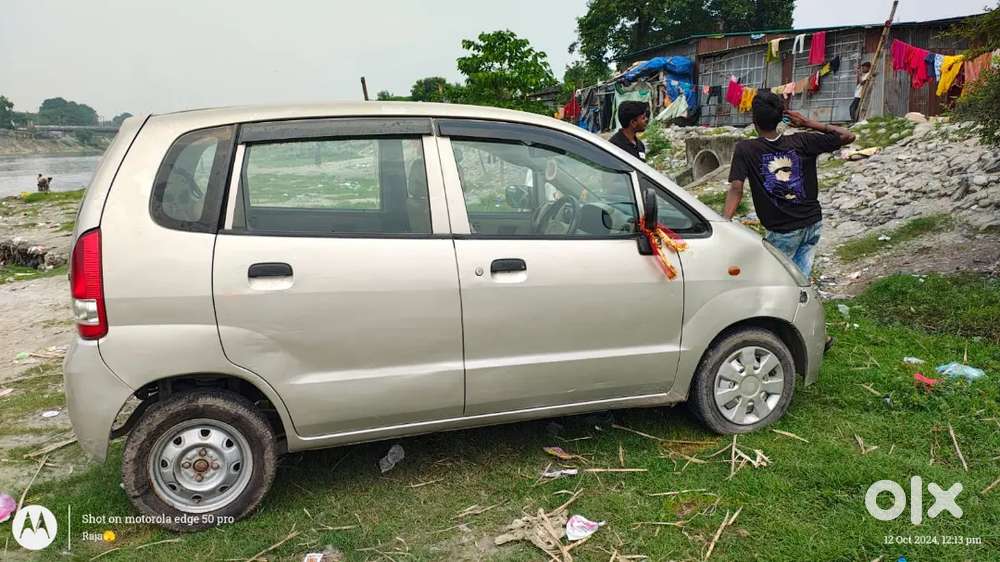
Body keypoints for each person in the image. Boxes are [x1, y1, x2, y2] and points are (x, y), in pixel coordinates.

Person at [724, 91, 855, 279]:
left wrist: (724, 223)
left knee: (775, 281)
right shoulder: (803, 140)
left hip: (784, 230)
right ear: (781, 117)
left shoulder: (746, 149)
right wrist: (808, 123)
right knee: (800, 278)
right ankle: (801, 302)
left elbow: (736, 188)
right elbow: (848, 135)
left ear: (754, 120)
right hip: (812, 223)